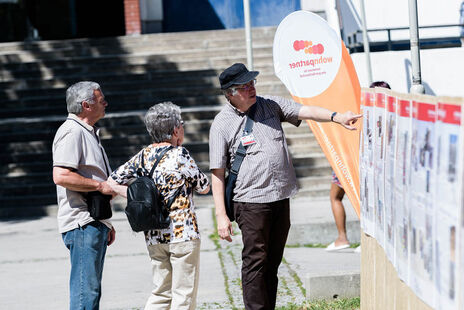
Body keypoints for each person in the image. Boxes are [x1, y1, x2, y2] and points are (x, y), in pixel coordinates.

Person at [209, 63, 362, 310]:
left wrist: (337, 117)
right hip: (251, 203)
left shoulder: (270, 104)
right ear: (229, 93)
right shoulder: (222, 123)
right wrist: (221, 215)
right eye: (244, 86)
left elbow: (305, 110)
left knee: (272, 262)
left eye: (252, 83)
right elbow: (217, 173)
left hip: (280, 196)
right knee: (255, 263)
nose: (251, 89)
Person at [108, 102, 210, 310]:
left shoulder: (142, 156)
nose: (183, 128)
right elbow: (204, 186)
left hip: (154, 235)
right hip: (182, 234)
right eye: (181, 124)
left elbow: (112, 181)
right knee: (183, 295)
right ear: (174, 130)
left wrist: (132, 195)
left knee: (161, 293)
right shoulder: (179, 155)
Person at [52, 81, 116, 310]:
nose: (106, 103)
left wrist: (105, 222)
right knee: (85, 295)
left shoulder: (86, 132)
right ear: (86, 105)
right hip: (82, 223)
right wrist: (99, 187)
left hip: (92, 221)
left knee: (90, 291)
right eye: (101, 100)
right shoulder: (72, 132)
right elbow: (60, 176)